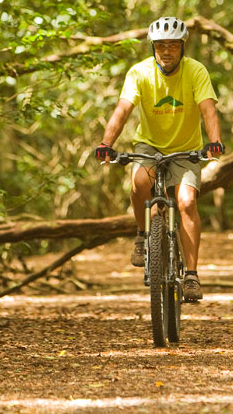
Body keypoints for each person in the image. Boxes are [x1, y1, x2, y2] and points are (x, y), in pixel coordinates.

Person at [93, 16, 224, 302]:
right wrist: (107, 143)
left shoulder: (196, 71)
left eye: (173, 46)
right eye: (161, 45)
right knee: (140, 181)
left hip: (186, 147)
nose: (166, 51)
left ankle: (191, 275)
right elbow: (122, 110)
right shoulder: (139, 72)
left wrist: (214, 142)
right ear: (153, 47)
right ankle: (142, 236)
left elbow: (208, 110)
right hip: (150, 145)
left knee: (187, 201)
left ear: (182, 47)